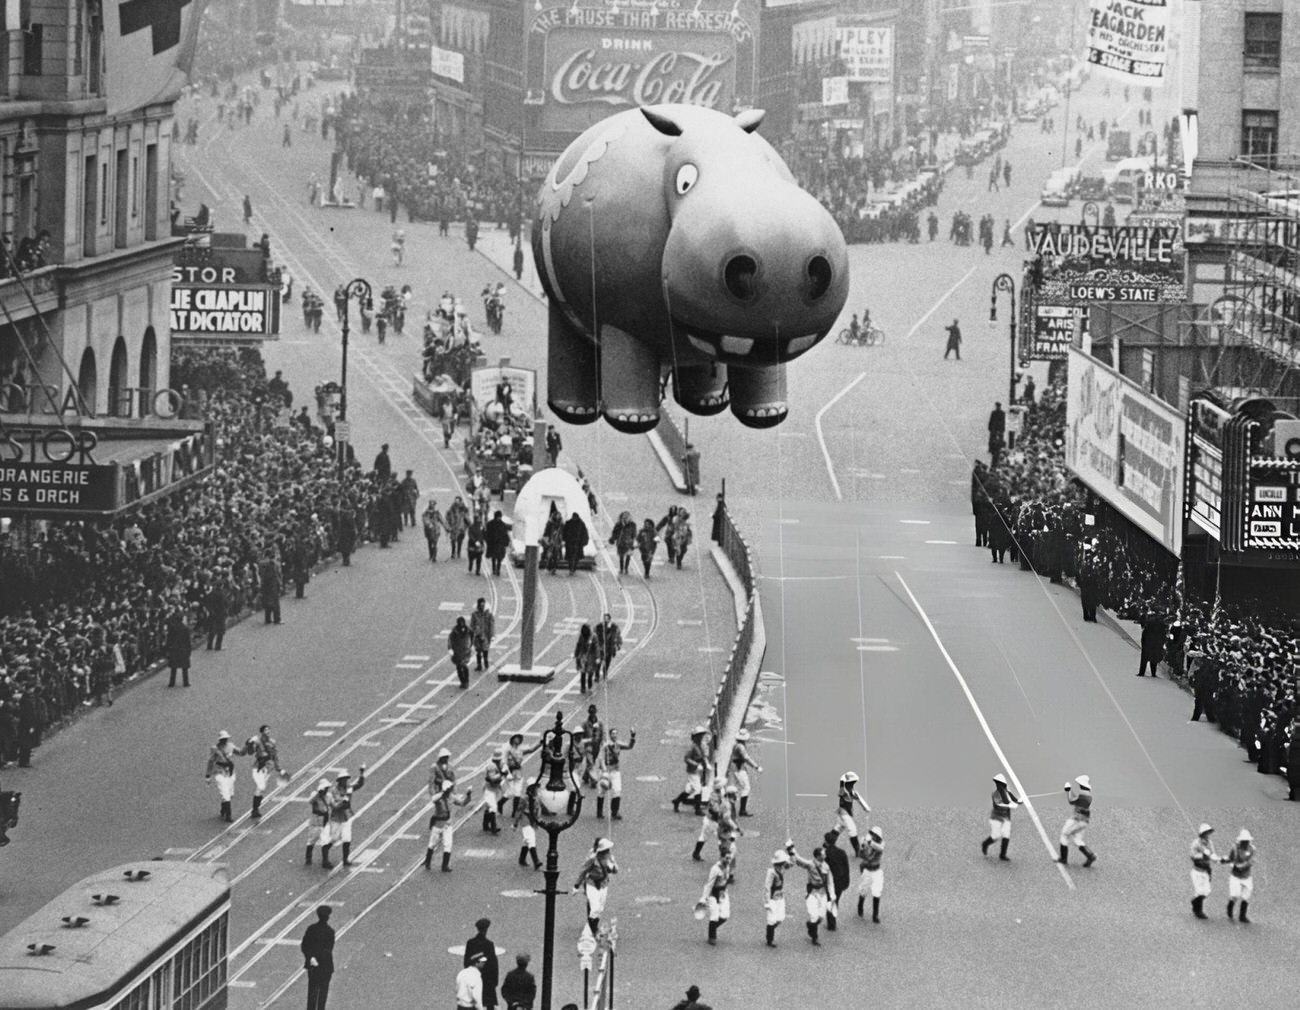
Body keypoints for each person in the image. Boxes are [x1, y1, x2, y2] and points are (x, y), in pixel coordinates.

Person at [425, 748, 472, 872]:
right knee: (432, 843)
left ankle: (445, 865)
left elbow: (462, 802)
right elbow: (433, 793)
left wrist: (468, 795)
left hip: (448, 823)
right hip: (438, 823)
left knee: (448, 844)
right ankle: (427, 861)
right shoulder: (439, 797)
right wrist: (440, 792)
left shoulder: (451, 796)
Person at [789, 842, 834, 945]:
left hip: (822, 893)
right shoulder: (810, 864)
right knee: (814, 915)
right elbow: (799, 860)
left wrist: (832, 893)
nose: (825, 855)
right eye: (823, 854)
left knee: (821, 917)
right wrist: (792, 848)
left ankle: (811, 925)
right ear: (818, 856)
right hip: (813, 892)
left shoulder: (826, 866)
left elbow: (830, 881)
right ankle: (814, 936)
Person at [327, 767, 366, 867]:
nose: (345, 781)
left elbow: (358, 785)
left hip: (346, 817)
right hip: (336, 818)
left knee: (347, 838)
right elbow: (335, 803)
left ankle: (345, 859)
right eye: (343, 779)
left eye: (346, 779)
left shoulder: (348, 787)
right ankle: (325, 856)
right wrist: (343, 801)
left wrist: (361, 774)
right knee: (334, 839)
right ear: (340, 781)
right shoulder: (334, 790)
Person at [205, 730, 246, 822]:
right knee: (226, 794)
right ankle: (228, 815)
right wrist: (208, 775)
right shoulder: (215, 749)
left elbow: (241, 753)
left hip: (230, 772)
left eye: (226, 738)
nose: (224, 740)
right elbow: (211, 762)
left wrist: (247, 746)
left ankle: (224, 808)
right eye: (223, 739)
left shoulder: (231, 746)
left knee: (230, 794)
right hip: (220, 772)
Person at [247, 724, 287, 819]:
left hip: (268, 768)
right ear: (262, 732)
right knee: (261, 787)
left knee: (261, 789)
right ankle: (255, 809)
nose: (268, 732)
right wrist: (250, 743)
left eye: (269, 730)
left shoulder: (272, 742)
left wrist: (279, 768)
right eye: (266, 730)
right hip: (259, 767)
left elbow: (275, 756)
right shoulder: (257, 742)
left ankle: (255, 809)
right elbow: (250, 752)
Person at [696, 848, 734, 945]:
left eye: (730, 858)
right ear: (721, 857)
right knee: (714, 916)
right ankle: (712, 937)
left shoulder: (727, 866)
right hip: (713, 894)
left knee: (725, 916)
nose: (728, 860)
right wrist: (704, 898)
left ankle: (712, 928)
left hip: (723, 893)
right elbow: (709, 884)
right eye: (726, 858)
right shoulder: (715, 869)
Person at [1056, 775, 1096, 867]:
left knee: (1064, 834)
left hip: (1077, 820)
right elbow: (1075, 799)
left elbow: (1071, 801)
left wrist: (1068, 791)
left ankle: (1063, 858)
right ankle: (1090, 855)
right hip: (1084, 821)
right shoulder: (1087, 794)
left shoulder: (1083, 795)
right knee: (1077, 839)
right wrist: (1069, 790)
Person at [300, 905, 335, 1010]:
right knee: (323, 992)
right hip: (325, 966)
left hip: (313, 966)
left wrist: (311, 958)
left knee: (312, 991)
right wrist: (318, 959)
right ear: (327, 917)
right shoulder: (330, 931)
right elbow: (328, 949)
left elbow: (304, 945)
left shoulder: (311, 929)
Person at [981, 772, 1020, 861]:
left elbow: (1014, 800)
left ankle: (1002, 855)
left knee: (1006, 835)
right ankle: (985, 844)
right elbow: (1000, 804)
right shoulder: (995, 795)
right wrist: (1011, 805)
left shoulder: (1007, 791)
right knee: (996, 836)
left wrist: (1019, 800)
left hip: (1006, 817)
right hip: (996, 818)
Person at [1220, 828, 1255, 922]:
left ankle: (1242, 916)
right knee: (1235, 895)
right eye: (1243, 841)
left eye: (1247, 841)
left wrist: (1240, 866)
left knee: (1246, 897)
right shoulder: (1235, 848)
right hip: (1235, 876)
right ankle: (1230, 908)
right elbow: (1231, 858)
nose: (1245, 843)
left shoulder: (1252, 849)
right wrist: (1224, 860)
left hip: (1246, 877)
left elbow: (1250, 862)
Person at [831, 771, 870, 856]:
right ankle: (858, 851)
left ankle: (827, 843)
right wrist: (843, 780)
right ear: (848, 783)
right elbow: (841, 787)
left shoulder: (852, 791)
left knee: (839, 827)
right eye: (852, 782)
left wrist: (866, 807)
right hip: (844, 813)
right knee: (852, 830)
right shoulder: (843, 791)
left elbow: (859, 799)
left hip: (847, 813)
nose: (853, 784)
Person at [464, 919, 500, 1010]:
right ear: (486, 929)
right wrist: (495, 981)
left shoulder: (470, 943)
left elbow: (466, 962)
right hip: (487, 979)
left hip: (474, 977)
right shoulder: (489, 944)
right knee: (489, 1004)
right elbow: (493, 964)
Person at [821, 831, 851, 931]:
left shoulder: (825, 854)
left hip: (831, 881)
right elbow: (846, 868)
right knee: (836, 900)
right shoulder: (842, 853)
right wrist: (846, 881)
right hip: (841, 881)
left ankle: (831, 923)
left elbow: (823, 868)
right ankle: (833, 920)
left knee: (829, 900)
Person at [728, 729, 761, 816]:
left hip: (735, 767)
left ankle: (730, 807)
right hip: (738, 768)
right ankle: (742, 810)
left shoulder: (737, 745)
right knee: (746, 787)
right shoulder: (741, 747)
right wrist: (756, 766)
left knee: (734, 786)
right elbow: (746, 758)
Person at [764, 848, 791, 947]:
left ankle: (770, 930)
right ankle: (769, 939)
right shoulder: (771, 872)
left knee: (780, 918)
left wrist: (790, 849)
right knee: (771, 920)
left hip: (780, 896)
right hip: (772, 898)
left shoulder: (782, 868)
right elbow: (767, 887)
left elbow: (791, 863)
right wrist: (767, 901)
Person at [856, 826, 884, 922]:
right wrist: (862, 847)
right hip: (867, 870)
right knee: (863, 891)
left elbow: (880, 849)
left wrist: (868, 842)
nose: (873, 836)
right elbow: (862, 856)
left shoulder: (880, 844)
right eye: (873, 834)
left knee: (877, 892)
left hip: (876, 871)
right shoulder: (868, 842)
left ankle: (875, 915)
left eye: (875, 835)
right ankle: (860, 908)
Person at [1189, 823, 1217, 919]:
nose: (1207, 835)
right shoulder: (1196, 844)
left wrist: (1215, 858)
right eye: (1206, 833)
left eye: (1208, 833)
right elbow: (1192, 856)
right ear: (1202, 834)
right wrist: (1202, 855)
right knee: (1201, 892)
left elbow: (1212, 854)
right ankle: (1198, 911)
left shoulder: (1209, 843)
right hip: (1197, 871)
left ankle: (1195, 901)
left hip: (1206, 870)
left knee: (1206, 891)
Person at [305, 778, 334, 867]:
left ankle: (325, 861)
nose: (326, 790)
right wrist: (318, 794)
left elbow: (332, 805)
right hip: (316, 821)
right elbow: (310, 801)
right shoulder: (315, 795)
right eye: (325, 788)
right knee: (312, 840)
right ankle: (308, 858)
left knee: (326, 840)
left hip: (325, 820)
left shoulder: (329, 796)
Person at [165, 609, 192, 687]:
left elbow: (169, 639)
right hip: (183, 649)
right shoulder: (185, 628)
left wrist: (168, 649)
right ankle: (186, 682)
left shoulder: (172, 628)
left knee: (173, 667)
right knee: (184, 668)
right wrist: (189, 650)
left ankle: (172, 682)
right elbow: (188, 641)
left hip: (174, 649)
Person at [594, 613, 622, 680]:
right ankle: (597, 675)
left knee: (607, 662)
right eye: (604, 619)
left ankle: (605, 673)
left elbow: (618, 636)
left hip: (609, 647)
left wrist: (618, 645)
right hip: (600, 647)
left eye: (607, 619)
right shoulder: (599, 626)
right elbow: (594, 635)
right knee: (598, 662)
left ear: (609, 619)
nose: (605, 620)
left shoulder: (614, 627)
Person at [449, 616, 474, 688]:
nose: (461, 624)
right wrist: (450, 648)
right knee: (459, 667)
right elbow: (450, 640)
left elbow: (473, 635)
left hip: (465, 651)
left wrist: (471, 644)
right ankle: (463, 681)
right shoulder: (454, 631)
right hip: (457, 651)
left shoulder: (468, 630)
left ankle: (466, 681)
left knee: (463, 665)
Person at [470, 597, 495, 671]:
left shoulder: (489, 614)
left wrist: (492, 635)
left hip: (486, 635)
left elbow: (492, 625)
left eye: (483, 605)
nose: (482, 607)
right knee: (478, 650)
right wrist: (473, 633)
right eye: (481, 605)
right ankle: (479, 665)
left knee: (485, 649)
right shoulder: (474, 614)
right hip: (477, 635)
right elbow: (472, 625)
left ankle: (486, 663)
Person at [1139, 613, 1166, 677]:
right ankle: (1153, 673)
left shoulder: (1148, 626)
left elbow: (1144, 637)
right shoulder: (1161, 626)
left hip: (1147, 644)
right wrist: (1161, 645)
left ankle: (1141, 672)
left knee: (1144, 659)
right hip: (1156, 645)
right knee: (1154, 659)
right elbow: (1163, 637)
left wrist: (1143, 645)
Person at [485, 510, 511, 576]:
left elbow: (505, 534)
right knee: (493, 557)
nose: (499, 518)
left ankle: (498, 570)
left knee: (499, 558)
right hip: (493, 544)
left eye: (499, 517)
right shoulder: (490, 524)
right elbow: (487, 533)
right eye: (498, 517)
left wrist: (506, 542)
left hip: (500, 544)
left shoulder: (503, 525)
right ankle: (494, 569)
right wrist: (488, 540)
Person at [562, 510, 589, 574]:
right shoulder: (568, 523)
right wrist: (564, 539)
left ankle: (573, 568)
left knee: (575, 557)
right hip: (570, 543)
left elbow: (584, 533)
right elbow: (564, 532)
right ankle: (571, 568)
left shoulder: (581, 524)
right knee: (570, 557)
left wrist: (584, 541)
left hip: (578, 544)